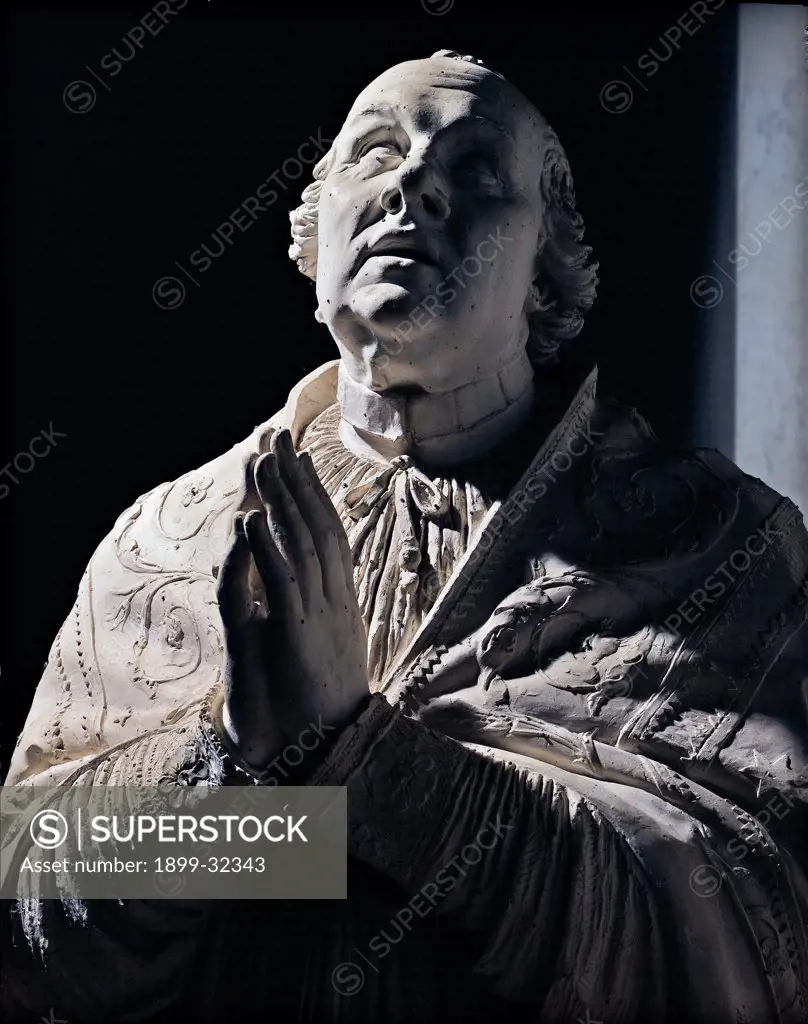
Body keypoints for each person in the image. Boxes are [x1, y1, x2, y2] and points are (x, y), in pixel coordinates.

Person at [3, 49, 807, 1024]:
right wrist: (230, 763)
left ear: (545, 269)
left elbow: (754, 932)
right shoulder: (165, 541)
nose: (413, 182)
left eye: (473, 170)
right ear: (314, 233)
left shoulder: (713, 538)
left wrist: (370, 761)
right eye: (378, 151)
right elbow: (25, 913)